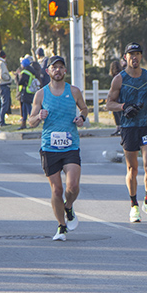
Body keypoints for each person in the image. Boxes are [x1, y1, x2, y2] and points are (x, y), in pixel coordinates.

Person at [28, 55, 88, 241]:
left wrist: (82, 118)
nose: (58, 70)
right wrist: (39, 116)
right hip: (49, 147)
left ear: (65, 71)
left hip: (70, 145)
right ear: (48, 72)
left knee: (73, 185)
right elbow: (30, 122)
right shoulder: (41, 94)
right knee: (56, 190)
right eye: (54, 68)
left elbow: (84, 109)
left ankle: (68, 206)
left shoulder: (74, 91)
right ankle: (62, 226)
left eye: (61, 67)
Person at [106, 42, 147, 223]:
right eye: (131, 54)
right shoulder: (119, 79)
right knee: (132, 169)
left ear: (141, 57)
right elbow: (108, 104)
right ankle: (133, 205)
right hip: (129, 127)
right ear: (125, 58)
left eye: (137, 54)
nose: (134, 57)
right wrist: (124, 106)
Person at [17, 57, 40, 129]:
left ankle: (30, 123)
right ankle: (26, 123)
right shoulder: (32, 71)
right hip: (31, 91)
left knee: (27, 108)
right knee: (27, 107)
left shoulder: (25, 72)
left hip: (25, 91)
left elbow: (20, 82)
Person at [108, 60, 123, 136]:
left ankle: (119, 127)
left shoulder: (116, 77)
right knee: (119, 112)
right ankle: (120, 127)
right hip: (121, 97)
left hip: (117, 97)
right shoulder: (121, 74)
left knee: (116, 112)